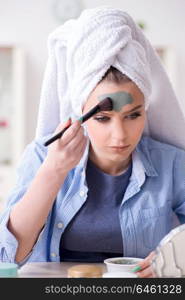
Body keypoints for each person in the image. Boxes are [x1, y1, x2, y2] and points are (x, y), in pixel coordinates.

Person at [0, 6, 185, 278]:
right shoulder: (44, 156)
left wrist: (175, 257)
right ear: (80, 113)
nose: (120, 135)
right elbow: (7, 257)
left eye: (133, 115)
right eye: (102, 118)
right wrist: (55, 170)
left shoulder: (171, 163)